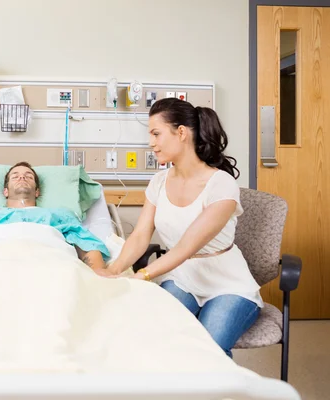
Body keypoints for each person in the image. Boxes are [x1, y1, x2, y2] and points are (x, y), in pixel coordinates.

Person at [104, 98, 263, 357]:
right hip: (182, 279)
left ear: (181, 133)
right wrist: (114, 271)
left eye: (156, 134)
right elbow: (141, 235)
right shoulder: (158, 182)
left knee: (207, 351)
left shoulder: (221, 185)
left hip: (227, 284)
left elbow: (187, 247)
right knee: (160, 339)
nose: (150, 143)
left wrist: (141, 276)